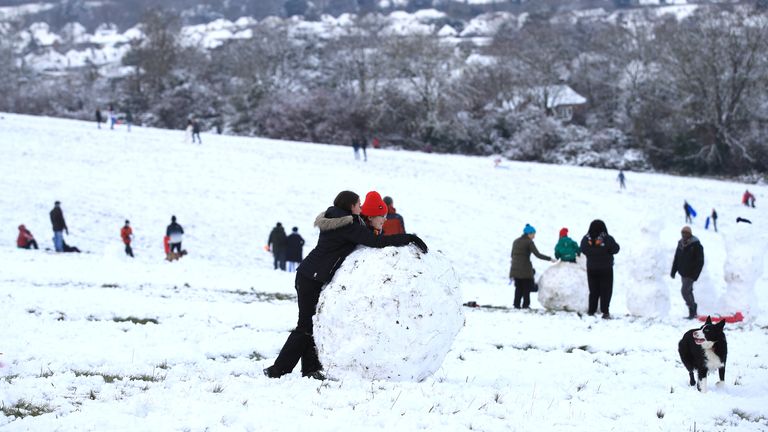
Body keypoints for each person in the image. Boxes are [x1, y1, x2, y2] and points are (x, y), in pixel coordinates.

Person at [263, 190, 428, 380]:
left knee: (313, 324)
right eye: (359, 204)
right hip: (310, 278)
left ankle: (310, 370)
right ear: (350, 206)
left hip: (312, 276)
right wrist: (409, 238)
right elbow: (376, 242)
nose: (361, 207)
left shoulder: (344, 221)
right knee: (305, 327)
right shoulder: (346, 225)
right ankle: (277, 370)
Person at [580, 219, 620, 319]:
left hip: (591, 269)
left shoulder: (586, 239)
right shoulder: (607, 238)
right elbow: (616, 249)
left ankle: (591, 311)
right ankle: (605, 311)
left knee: (593, 290)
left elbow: (583, 249)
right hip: (606, 269)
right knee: (606, 290)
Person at [509, 224, 554, 309]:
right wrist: (549, 259)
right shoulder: (529, 242)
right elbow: (538, 254)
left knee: (518, 287)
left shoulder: (515, 241)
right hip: (525, 269)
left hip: (514, 268)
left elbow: (512, 255)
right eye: (533, 234)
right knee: (527, 287)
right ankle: (526, 305)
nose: (534, 236)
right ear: (529, 233)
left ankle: (516, 304)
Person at [670, 225, 704, 320]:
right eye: (683, 233)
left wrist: (695, 275)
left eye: (686, 233)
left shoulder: (696, 245)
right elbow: (676, 258)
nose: (684, 235)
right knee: (688, 291)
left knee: (684, 291)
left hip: (691, 273)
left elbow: (700, 261)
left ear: (690, 234)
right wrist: (673, 271)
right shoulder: (680, 243)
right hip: (683, 272)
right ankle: (693, 312)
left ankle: (692, 307)